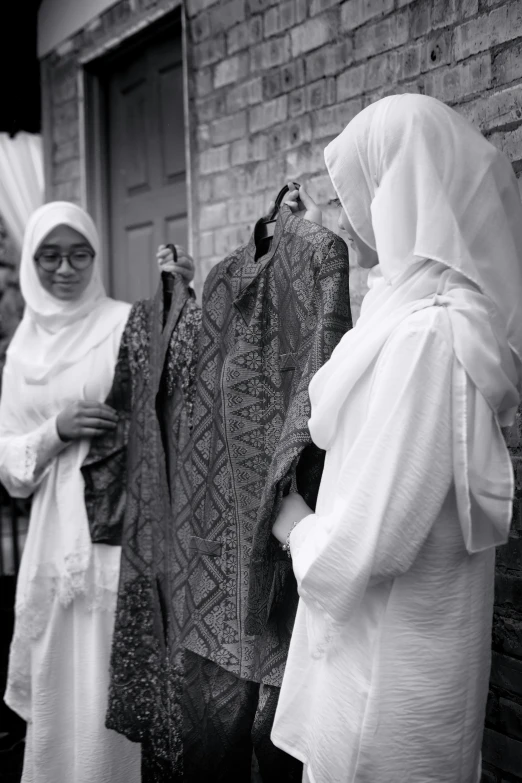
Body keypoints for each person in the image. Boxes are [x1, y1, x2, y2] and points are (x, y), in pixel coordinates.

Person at [270, 94, 522, 783]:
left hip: (389, 679)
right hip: (386, 654)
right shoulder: (408, 312)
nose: (356, 221)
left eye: (369, 192)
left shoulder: (431, 336)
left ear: (405, 195)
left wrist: (297, 529)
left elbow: (370, 544)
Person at [0, 201, 193, 783]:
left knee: (112, 666)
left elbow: (176, 383)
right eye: (50, 255)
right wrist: (54, 431)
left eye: (79, 253)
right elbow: (10, 466)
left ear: (95, 255)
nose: (65, 268)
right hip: (53, 539)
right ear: (32, 262)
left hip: (117, 530)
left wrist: (179, 296)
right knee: (61, 670)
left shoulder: (122, 322)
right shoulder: (22, 347)